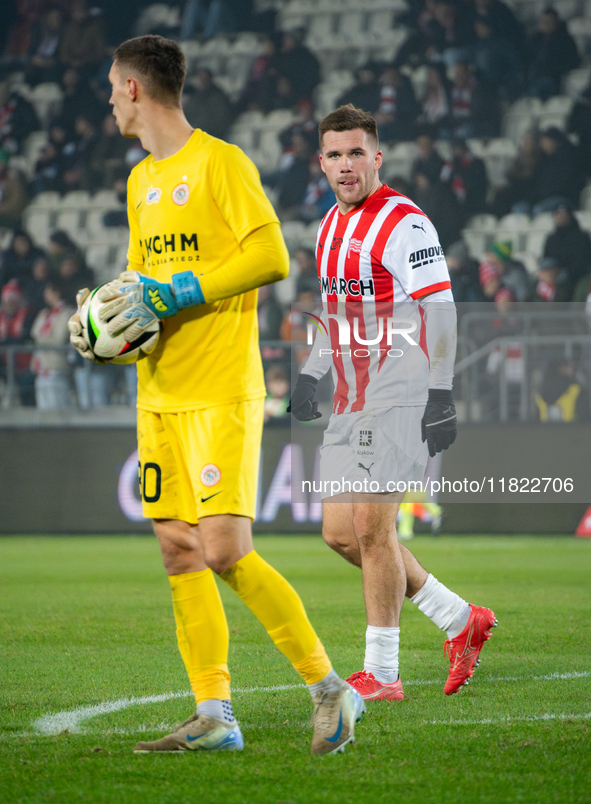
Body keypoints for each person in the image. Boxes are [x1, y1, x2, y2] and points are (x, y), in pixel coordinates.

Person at [68, 35, 363, 756]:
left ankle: (330, 688)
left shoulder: (220, 162)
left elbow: (269, 255)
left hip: (221, 389)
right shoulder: (140, 183)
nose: (107, 98)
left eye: (112, 85)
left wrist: (179, 289)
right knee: (178, 550)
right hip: (159, 390)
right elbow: (143, 284)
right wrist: (108, 321)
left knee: (226, 550)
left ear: (135, 88)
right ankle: (213, 713)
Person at [289, 104, 496, 702]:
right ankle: (461, 619)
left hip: (401, 394)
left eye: (357, 152)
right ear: (321, 162)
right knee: (339, 534)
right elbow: (336, 315)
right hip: (350, 401)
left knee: (372, 529)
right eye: (335, 154)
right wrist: (312, 372)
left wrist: (440, 392)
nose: (346, 164)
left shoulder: (405, 224)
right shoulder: (329, 226)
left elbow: (442, 311)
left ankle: (382, 673)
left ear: (377, 157)